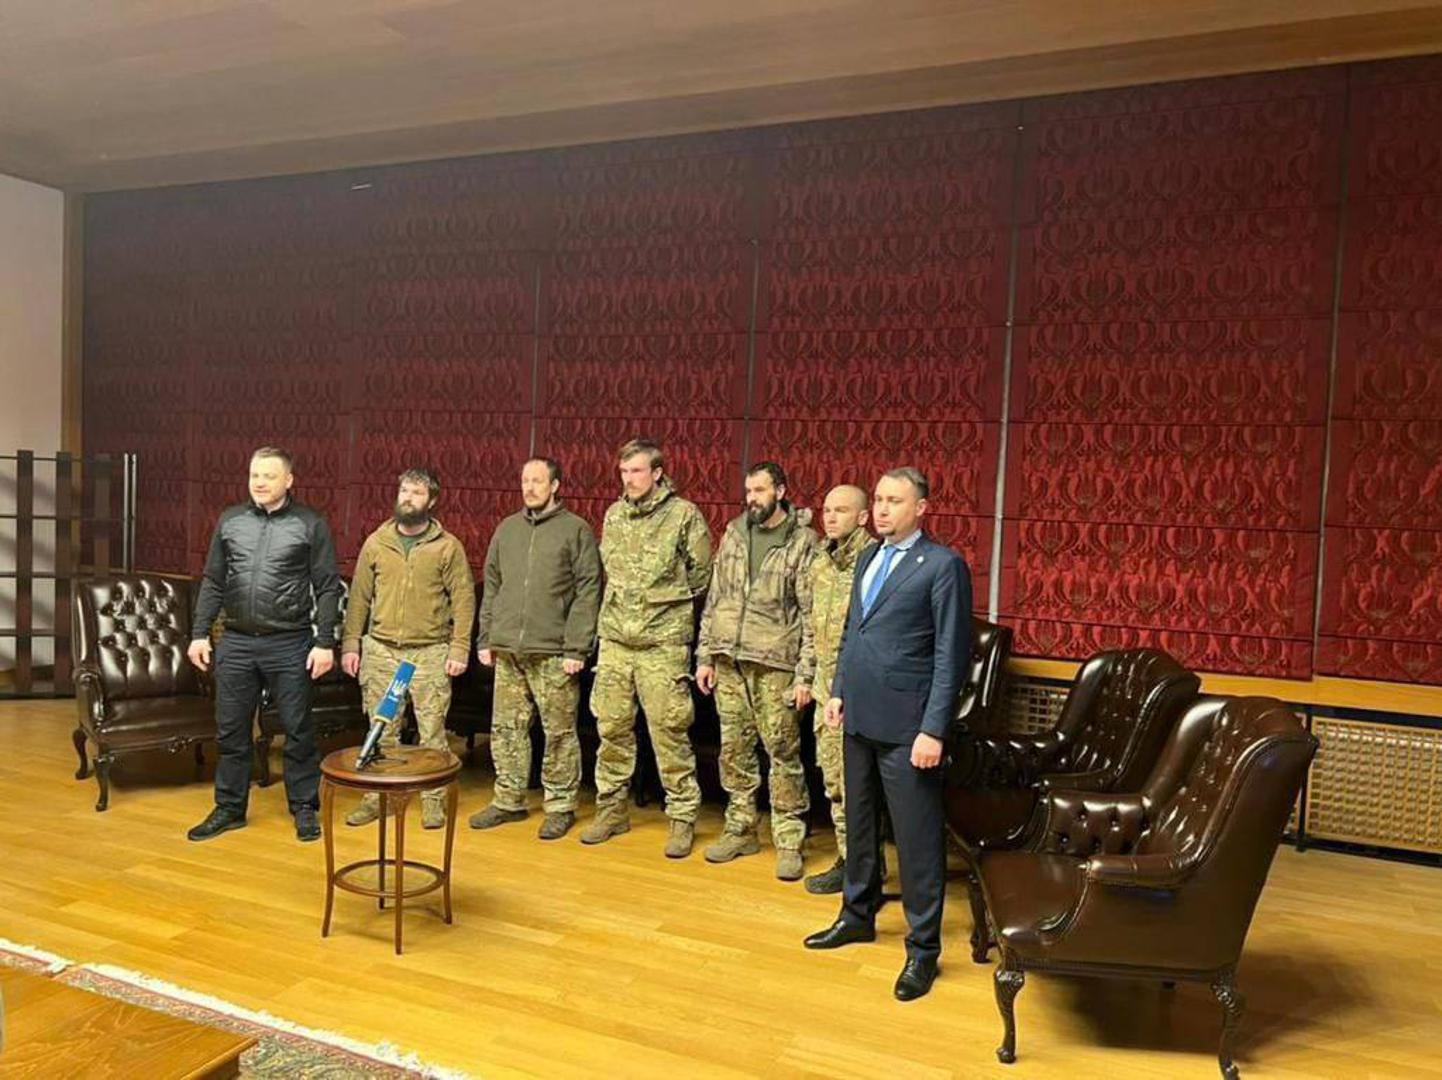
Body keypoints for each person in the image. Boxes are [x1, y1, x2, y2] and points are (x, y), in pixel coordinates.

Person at [803, 467, 971, 1003]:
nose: (881, 509)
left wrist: (933, 730)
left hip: (908, 729)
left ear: (921, 508)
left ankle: (922, 950)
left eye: (894, 501)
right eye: (877, 499)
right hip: (859, 716)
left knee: (917, 844)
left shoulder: (942, 565)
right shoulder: (868, 557)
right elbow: (853, 632)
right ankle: (856, 915)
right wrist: (838, 691)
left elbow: (951, 655)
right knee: (858, 826)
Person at [186, 446, 341, 843]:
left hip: (290, 643)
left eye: (269, 476)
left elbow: (327, 587)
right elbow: (213, 580)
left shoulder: (310, 523)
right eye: (254, 475)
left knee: (298, 729)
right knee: (231, 730)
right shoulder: (230, 520)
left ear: (288, 480)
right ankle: (229, 808)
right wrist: (199, 633)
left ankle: (304, 806)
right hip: (236, 641)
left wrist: (325, 642)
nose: (259, 482)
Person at [584, 438, 713, 857]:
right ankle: (611, 811)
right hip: (616, 641)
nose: (629, 479)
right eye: (624, 472)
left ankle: (682, 817)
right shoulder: (614, 515)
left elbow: (701, 576)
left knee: (669, 733)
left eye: (637, 471)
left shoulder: (683, 515)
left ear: (657, 473)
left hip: (662, 643)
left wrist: (664, 607)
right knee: (611, 729)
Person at [695, 461, 817, 880]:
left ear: (780, 491)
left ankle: (789, 838)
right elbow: (715, 599)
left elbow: (811, 615)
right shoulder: (733, 533)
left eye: (760, 490)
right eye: (748, 491)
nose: (752, 498)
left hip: (774, 663)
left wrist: (805, 675)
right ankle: (740, 829)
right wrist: (705, 656)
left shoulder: (803, 542)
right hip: (729, 660)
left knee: (782, 752)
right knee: (734, 750)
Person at [469, 457, 601, 840]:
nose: (529, 487)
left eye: (537, 481)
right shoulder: (507, 529)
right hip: (509, 649)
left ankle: (560, 805)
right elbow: (492, 585)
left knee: (558, 733)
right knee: (506, 729)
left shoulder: (575, 530)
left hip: (554, 652)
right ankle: (508, 800)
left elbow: (588, 591)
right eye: (525, 480)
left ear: (555, 485)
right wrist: (486, 637)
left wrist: (577, 647)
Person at [340, 467, 474, 830]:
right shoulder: (376, 543)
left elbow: (463, 600)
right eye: (404, 491)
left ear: (431, 501)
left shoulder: (447, 547)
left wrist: (459, 648)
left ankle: (433, 801)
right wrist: (351, 643)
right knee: (381, 730)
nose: (408, 498)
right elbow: (359, 598)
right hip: (381, 650)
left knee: (432, 733)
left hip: (429, 652)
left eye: (417, 493)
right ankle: (379, 798)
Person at [800, 484, 872, 894]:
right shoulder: (821, 562)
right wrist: (806, 678)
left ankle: (863, 867)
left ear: (862, 517)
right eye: (826, 509)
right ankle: (852, 862)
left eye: (841, 510)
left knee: (857, 787)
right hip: (825, 691)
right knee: (834, 783)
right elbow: (811, 629)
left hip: (860, 695)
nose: (829, 517)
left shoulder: (875, 562)